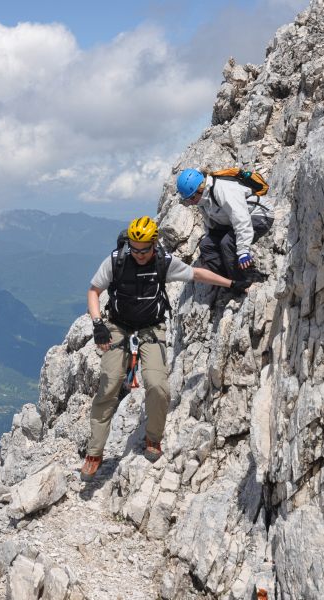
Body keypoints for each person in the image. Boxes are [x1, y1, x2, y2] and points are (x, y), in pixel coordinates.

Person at [80, 216, 261, 481]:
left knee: (158, 385)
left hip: (151, 328)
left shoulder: (162, 262)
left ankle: (153, 438)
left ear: (154, 244)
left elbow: (197, 273)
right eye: (134, 249)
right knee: (109, 385)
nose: (139, 254)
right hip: (118, 326)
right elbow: (94, 291)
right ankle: (94, 454)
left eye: (144, 249)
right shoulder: (116, 260)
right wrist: (98, 324)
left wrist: (232, 284)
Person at [176, 168, 275, 284]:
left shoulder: (222, 189)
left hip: (260, 215)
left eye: (192, 198)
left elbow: (241, 219)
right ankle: (226, 281)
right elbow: (211, 226)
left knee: (227, 242)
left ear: (200, 189)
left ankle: (242, 282)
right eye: (188, 200)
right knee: (206, 245)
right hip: (235, 221)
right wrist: (212, 243)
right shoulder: (202, 201)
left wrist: (243, 251)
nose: (191, 202)